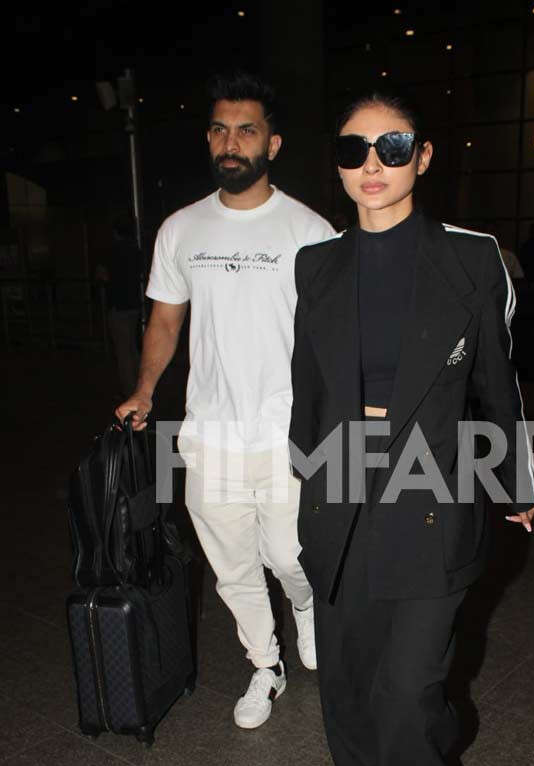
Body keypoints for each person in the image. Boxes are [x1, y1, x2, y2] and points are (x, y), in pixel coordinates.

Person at [289, 92, 534, 766]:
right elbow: (309, 388)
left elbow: (499, 383)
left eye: (392, 147)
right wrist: (306, 474)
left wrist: (515, 479)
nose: (372, 165)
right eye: (354, 148)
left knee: (410, 684)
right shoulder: (316, 264)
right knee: (348, 667)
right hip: (342, 488)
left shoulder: (472, 258)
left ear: (423, 157)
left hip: (433, 486)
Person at [116, 71, 334, 729]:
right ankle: (264, 666)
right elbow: (164, 321)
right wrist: (145, 389)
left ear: (273, 142)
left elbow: (334, 336)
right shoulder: (182, 228)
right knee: (233, 566)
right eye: (219, 129)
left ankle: (304, 605)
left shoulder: (310, 230)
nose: (230, 142)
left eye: (245, 130)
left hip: (287, 430)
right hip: (210, 431)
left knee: (291, 555)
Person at [103, 219, 143, 398]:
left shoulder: (113, 252)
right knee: (132, 347)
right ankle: (139, 385)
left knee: (123, 350)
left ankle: (129, 391)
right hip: (133, 304)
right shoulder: (136, 251)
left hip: (118, 306)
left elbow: (103, 275)